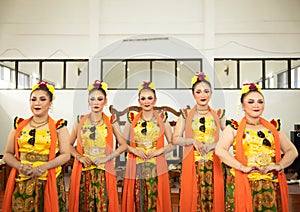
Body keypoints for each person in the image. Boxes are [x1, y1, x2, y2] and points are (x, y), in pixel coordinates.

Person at [215, 83, 298, 211]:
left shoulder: (273, 127)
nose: (256, 105)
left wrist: (279, 165)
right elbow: (220, 150)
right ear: (243, 105)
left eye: (260, 102)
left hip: (269, 183)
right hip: (243, 183)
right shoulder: (234, 127)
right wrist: (242, 167)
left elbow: (292, 151)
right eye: (251, 101)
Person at [2, 81, 70, 212]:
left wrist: (43, 167)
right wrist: (20, 166)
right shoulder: (19, 125)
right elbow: (7, 154)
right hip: (23, 179)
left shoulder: (59, 126)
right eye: (33, 99)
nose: (37, 103)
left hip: (49, 179)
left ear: (50, 103)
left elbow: (65, 155)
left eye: (42, 99)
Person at [68, 80, 127, 212]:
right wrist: (79, 157)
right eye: (92, 99)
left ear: (105, 101)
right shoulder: (79, 120)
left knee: (103, 205)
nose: (95, 102)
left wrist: (107, 158)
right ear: (88, 102)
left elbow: (123, 145)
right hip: (84, 169)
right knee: (84, 205)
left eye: (99, 99)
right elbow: (68, 145)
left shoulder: (111, 121)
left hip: (104, 170)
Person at [172, 72, 226, 211]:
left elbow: (229, 138)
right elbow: (175, 139)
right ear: (193, 94)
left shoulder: (219, 114)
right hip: (192, 165)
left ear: (211, 94)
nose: (203, 95)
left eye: (206, 91)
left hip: (214, 164)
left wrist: (214, 145)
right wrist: (192, 141)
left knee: (214, 200)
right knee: (193, 200)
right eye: (199, 91)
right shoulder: (185, 114)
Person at [122, 81, 174, 212]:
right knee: (137, 198)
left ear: (155, 100)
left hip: (156, 165)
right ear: (139, 101)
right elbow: (122, 143)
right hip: (136, 164)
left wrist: (159, 151)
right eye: (143, 98)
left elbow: (173, 143)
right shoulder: (131, 118)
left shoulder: (162, 119)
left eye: (150, 98)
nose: (146, 101)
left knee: (155, 199)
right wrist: (134, 150)